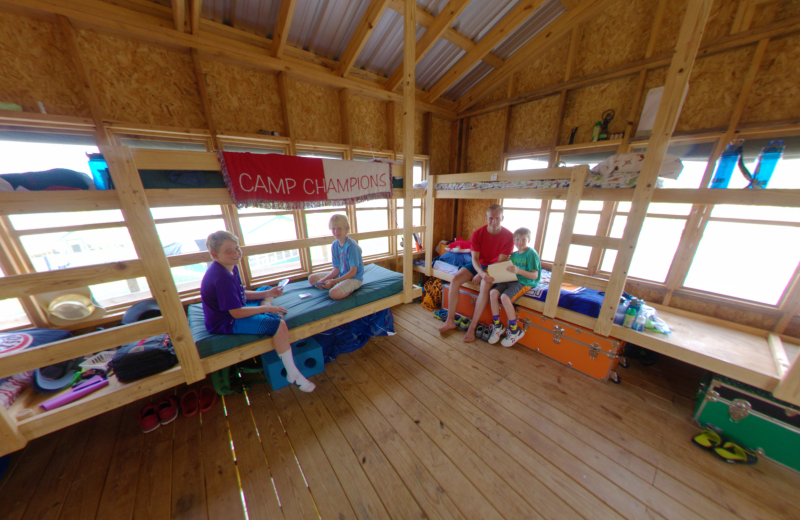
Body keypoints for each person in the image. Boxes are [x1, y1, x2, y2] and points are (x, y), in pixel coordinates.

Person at [201, 230, 315, 392]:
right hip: (226, 321)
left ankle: (262, 310)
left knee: (267, 288)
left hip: (236, 308)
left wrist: (269, 294)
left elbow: (240, 294)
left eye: (237, 248)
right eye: (228, 250)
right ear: (214, 254)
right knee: (278, 324)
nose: (236, 253)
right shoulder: (221, 277)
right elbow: (236, 313)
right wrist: (268, 308)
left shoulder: (230, 267)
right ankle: (293, 374)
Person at [438, 204, 514, 342]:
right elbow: (474, 259)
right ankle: (450, 321)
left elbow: (500, 262)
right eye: (491, 218)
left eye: (497, 218)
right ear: (486, 218)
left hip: (495, 266)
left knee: (485, 285)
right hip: (479, 264)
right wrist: (480, 271)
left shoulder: (509, 236)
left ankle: (472, 327)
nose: (494, 221)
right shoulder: (478, 234)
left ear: (502, 218)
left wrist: (483, 273)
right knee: (455, 279)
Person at [487, 227, 541, 347]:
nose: (520, 242)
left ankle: (515, 330)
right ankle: (497, 326)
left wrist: (518, 271)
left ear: (529, 240)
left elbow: (534, 275)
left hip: (524, 281)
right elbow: (510, 270)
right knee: (493, 293)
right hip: (512, 279)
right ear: (513, 240)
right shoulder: (513, 255)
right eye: (517, 239)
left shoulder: (531, 253)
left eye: (523, 239)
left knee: (505, 297)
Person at [308, 214, 364, 300]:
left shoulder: (352, 247)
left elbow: (353, 272)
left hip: (354, 278)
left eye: (339, 228)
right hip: (341, 274)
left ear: (346, 229)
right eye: (333, 228)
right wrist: (324, 279)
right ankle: (336, 285)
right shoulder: (334, 245)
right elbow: (337, 269)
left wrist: (334, 281)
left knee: (333, 294)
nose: (336, 231)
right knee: (312, 278)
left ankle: (346, 289)